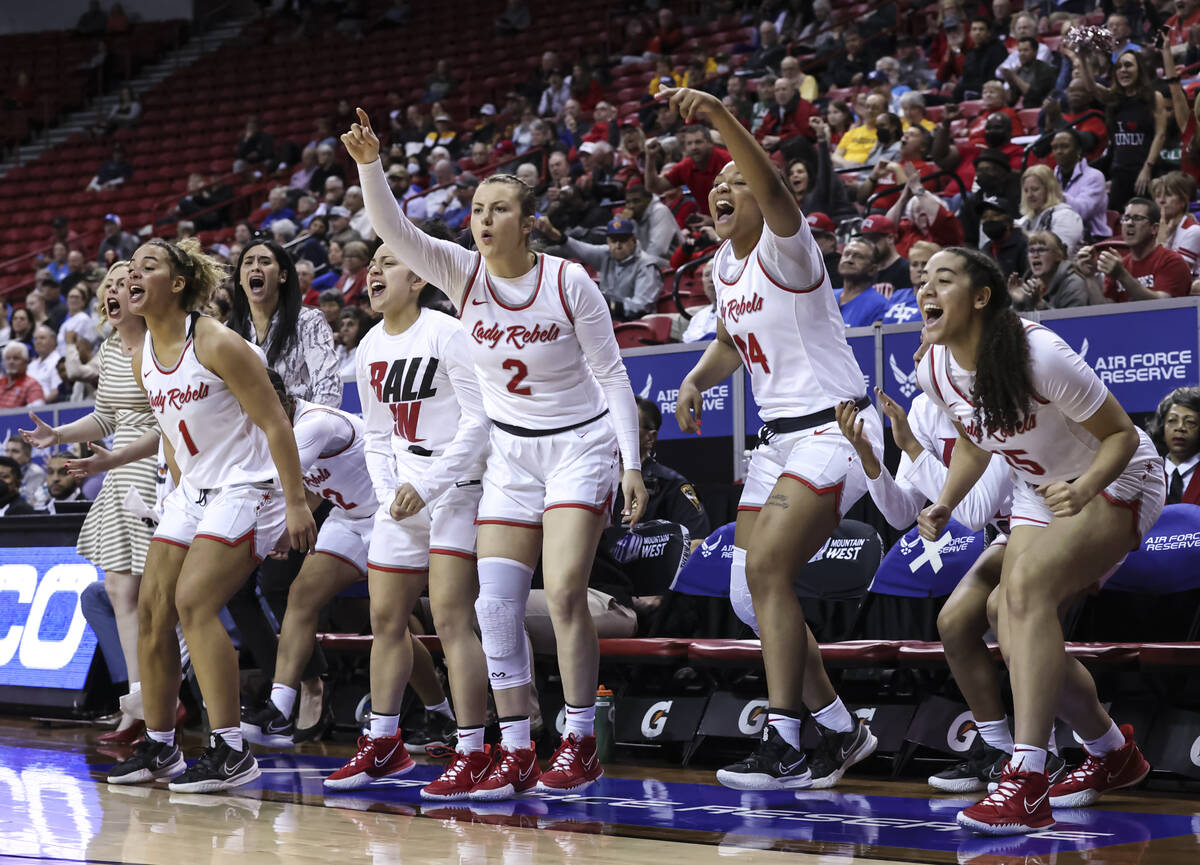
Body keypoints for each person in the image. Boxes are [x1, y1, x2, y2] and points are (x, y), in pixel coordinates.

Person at [347, 107, 647, 798]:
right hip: (512, 456)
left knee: (567, 587)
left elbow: (613, 377)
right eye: (477, 208)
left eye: (499, 208)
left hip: (579, 444)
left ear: (527, 219)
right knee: (494, 606)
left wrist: (630, 462)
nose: (483, 219)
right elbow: (394, 231)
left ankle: (577, 740)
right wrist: (370, 164)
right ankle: (512, 746)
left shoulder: (569, 281)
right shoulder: (460, 273)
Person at [665, 86, 879, 792]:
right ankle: (844, 730)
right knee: (750, 597)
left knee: (768, 573)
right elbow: (731, 339)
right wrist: (699, 378)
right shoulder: (723, 268)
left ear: (763, 194)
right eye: (716, 187)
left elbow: (760, 172)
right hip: (776, 442)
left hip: (834, 427)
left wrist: (720, 117)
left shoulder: (790, 250)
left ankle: (785, 739)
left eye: (736, 182)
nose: (723, 191)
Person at [914, 246, 1163, 834]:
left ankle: (1026, 779)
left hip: (1115, 477)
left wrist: (1082, 493)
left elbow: (1123, 437)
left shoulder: (1040, 355)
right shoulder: (934, 365)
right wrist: (947, 500)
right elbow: (976, 441)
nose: (926, 289)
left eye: (942, 279)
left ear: (981, 297)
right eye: (921, 279)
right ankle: (1110, 751)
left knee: (1022, 589)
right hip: (1039, 488)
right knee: (1004, 611)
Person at [99, 238, 316, 793]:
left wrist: (295, 502)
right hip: (192, 491)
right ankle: (162, 746)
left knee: (194, 603)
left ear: (176, 284)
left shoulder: (216, 340)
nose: (133, 274)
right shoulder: (142, 353)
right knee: (151, 610)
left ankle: (231, 750)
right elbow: (174, 436)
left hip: (247, 487)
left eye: (150, 265)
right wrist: (174, 490)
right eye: (131, 269)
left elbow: (275, 424)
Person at [322, 242, 493, 796]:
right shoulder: (369, 347)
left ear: (419, 278)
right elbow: (375, 435)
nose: (372, 270)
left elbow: (479, 422)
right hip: (401, 491)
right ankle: (386, 743)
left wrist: (426, 485)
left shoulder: (448, 332)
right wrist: (388, 490)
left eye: (386, 262)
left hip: (456, 487)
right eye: (369, 264)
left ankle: (473, 751)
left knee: (449, 618)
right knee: (386, 619)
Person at [223, 239, 342, 731]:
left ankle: (310, 685)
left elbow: (330, 396)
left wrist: (305, 490)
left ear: (284, 275)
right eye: (247, 262)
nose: (254, 268)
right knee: (230, 590)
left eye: (264, 262)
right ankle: (282, 688)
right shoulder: (229, 333)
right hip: (252, 472)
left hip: (310, 465)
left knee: (276, 584)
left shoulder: (309, 323)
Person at [1070, 45, 1167, 212]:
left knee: (1147, 218)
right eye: (1119, 67)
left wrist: (1147, 168)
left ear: (1140, 69)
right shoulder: (1113, 97)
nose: (1123, 70)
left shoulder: (1154, 97)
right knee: (1118, 217)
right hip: (1120, 171)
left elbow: (1161, 134)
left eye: (1128, 65)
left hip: (1145, 171)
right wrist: (1084, 58)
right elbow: (1091, 87)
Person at [536, 216, 663, 321]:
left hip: (637, 323)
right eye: (613, 240)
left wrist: (608, 303)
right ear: (608, 241)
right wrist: (556, 235)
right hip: (608, 317)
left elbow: (641, 307)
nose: (618, 245)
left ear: (634, 241)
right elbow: (580, 249)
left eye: (623, 240)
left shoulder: (646, 265)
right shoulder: (607, 254)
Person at [1078, 198, 1193, 302]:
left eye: (1137, 218)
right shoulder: (1119, 265)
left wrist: (1122, 275)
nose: (1129, 223)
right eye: (1126, 218)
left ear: (1154, 228)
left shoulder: (1171, 261)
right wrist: (1090, 276)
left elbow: (1161, 307)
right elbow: (1106, 313)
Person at [644, 125, 731, 217]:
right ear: (685, 147)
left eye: (698, 142)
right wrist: (650, 157)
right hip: (712, 222)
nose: (694, 147)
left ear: (710, 143)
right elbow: (654, 187)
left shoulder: (728, 161)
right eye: (689, 143)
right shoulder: (685, 166)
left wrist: (712, 222)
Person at [1051, 129, 1110, 241]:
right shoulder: (1051, 176)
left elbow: (1081, 213)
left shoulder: (1094, 177)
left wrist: (1056, 193)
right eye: (1055, 147)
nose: (1059, 151)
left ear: (1078, 150)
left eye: (1064, 146)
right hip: (1058, 235)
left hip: (1092, 238)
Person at [1016, 165, 1084, 256]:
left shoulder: (1066, 216)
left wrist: (1025, 236)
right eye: (1026, 190)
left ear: (1049, 189)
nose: (1029, 195)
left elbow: (1062, 253)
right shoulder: (1025, 220)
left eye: (1035, 189)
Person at [1150, 387, 1200, 505]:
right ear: (1162, 427)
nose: (1180, 427)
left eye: (1190, 422)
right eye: (1172, 420)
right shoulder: (1147, 476)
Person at [1151, 171, 1200, 277]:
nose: (1162, 200)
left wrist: (1161, 241)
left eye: (1168, 195)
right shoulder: (1155, 227)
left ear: (1183, 200)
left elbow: (1177, 276)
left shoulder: (1192, 231)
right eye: (1158, 195)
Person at [835, 237, 889, 327]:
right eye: (846, 254)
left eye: (858, 256)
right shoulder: (827, 296)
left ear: (872, 269)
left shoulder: (879, 305)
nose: (849, 259)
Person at [0, 342, 45, 408]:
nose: (11, 362)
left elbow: (38, 411)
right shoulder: (1, 382)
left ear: (25, 362)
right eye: (8, 358)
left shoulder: (32, 385)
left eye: (16, 358)